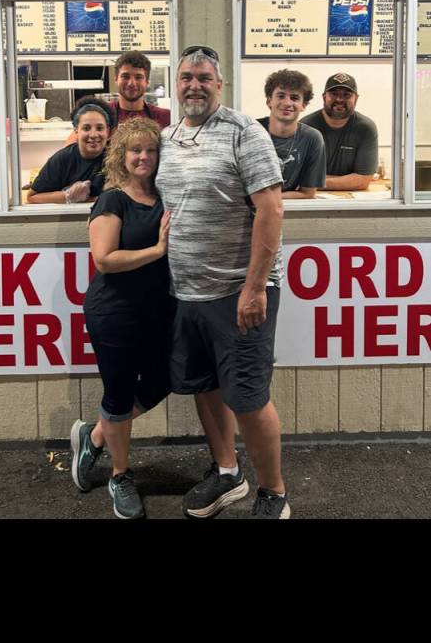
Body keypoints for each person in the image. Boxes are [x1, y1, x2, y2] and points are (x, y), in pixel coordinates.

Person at [156, 46, 290, 520]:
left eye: (204, 77)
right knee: (205, 387)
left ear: (220, 84)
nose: (195, 84)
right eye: (187, 77)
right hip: (186, 292)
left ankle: (273, 492)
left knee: (248, 398)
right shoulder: (168, 136)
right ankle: (228, 472)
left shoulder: (244, 132)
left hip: (240, 292)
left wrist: (255, 288)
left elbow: (271, 210)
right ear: (176, 83)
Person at [70, 117, 172, 520]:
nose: (143, 156)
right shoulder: (113, 199)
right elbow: (105, 259)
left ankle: (94, 435)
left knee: (166, 379)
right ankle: (120, 475)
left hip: (158, 312)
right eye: (135, 150)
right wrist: (158, 250)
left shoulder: (166, 196)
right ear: (121, 156)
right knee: (118, 393)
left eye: (150, 150)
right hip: (114, 312)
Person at [66, 50, 171, 147]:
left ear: (147, 82)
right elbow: (69, 148)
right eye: (125, 76)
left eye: (138, 77)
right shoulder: (101, 114)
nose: (131, 83)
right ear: (116, 79)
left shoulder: (165, 117)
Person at [27, 96, 115, 204]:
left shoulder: (115, 158)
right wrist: (68, 196)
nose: (93, 135)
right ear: (76, 131)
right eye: (86, 128)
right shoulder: (62, 159)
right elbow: (32, 197)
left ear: (108, 131)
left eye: (100, 128)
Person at [301, 72, 378, 191]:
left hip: (350, 201)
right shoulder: (305, 127)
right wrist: (347, 180)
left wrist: (314, 181)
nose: (339, 99)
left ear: (356, 98)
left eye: (347, 95)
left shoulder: (366, 128)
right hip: (310, 199)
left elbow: (363, 181)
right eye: (333, 94)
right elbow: (298, 177)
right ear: (324, 97)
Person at [257, 69, 326, 199]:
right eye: (281, 96)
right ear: (269, 101)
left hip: (287, 208)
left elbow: (307, 193)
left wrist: (271, 200)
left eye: (294, 98)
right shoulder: (250, 131)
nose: (287, 103)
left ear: (303, 105)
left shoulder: (312, 139)